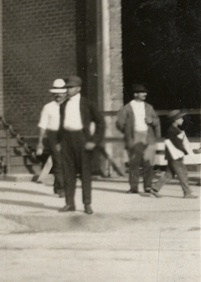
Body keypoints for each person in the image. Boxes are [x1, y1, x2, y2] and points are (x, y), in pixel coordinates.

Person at [56, 75, 105, 214]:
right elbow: (61, 124)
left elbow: (101, 123)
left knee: (85, 174)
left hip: (82, 139)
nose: (68, 90)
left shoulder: (88, 104)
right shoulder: (63, 105)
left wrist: (94, 141)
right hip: (67, 139)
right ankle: (69, 203)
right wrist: (60, 141)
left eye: (70, 87)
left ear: (78, 88)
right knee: (68, 173)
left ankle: (87, 204)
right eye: (66, 88)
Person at [115, 83, 161, 196]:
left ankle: (148, 186)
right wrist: (127, 133)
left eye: (145, 92)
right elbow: (119, 123)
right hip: (134, 137)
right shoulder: (126, 108)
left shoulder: (149, 107)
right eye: (142, 92)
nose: (145, 94)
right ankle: (134, 187)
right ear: (135, 94)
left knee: (149, 163)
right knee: (134, 163)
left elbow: (157, 120)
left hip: (148, 137)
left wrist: (152, 121)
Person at [152, 110, 197, 198]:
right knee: (182, 173)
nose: (182, 120)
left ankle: (154, 189)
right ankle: (187, 193)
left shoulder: (173, 130)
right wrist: (190, 151)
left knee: (169, 174)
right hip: (176, 156)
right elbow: (178, 145)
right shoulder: (173, 131)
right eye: (180, 118)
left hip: (172, 156)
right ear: (175, 120)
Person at [35, 78, 67, 196]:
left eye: (60, 92)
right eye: (55, 93)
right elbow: (43, 126)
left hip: (67, 135)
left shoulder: (70, 106)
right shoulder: (48, 107)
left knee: (66, 162)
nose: (58, 95)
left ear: (65, 93)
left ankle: (57, 186)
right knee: (58, 161)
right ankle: (62, 188)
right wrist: (40, 143)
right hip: (53, 136)